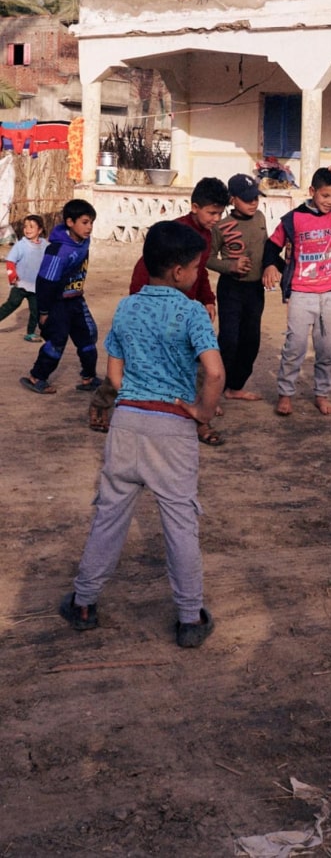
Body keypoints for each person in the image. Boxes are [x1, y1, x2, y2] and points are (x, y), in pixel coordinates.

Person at [60, 221, 225, 647]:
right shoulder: (191, 312)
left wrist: (124, 397)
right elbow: (214, 371)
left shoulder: (127, 307)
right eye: (195, 267)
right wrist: (201, 412)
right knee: (180, 524)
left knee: (109, 516)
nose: (196, 274)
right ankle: (190, 618)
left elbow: (113, 376)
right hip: (172, 428)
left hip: (128, 422)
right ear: (177, 272)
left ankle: (83, 601)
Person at [89, 176, 228, 445]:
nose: (215, 218)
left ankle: (200, 419)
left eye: (220, 213)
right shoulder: (169, 235)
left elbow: (199, 273)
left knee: (193, 362)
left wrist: (207, 298)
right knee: (134, 358)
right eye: (212, 213)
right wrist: (140, 307)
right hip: (150, 306)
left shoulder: (206, 237)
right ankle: (102, 401)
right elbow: (146, 271)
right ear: (195, 206)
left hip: (181, 311)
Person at [262, 165, 331, 416]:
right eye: (325, 196)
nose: (329, 201)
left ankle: (321, 394)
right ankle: (285, 394)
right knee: (295, 347)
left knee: (327, 348)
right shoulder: (293, 219)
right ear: (312, 192)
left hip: (330, 294)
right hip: (301, 294)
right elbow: (272, 245)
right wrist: (271, 265)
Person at [19, 199, 100, 396]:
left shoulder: (83, 242)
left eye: (91, 223)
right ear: (70, 222)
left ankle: (89, 377)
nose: (89, 228)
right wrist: (44, 311)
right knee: (57, 340)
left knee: (88, 337)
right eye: (85, 222)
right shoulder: (59, 251)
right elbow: (46, 282)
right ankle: (37, 377)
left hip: (76, 300)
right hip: (58, 303)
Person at [206, 173, 267, 401]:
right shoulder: (220, 226)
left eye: (256, 198)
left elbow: (266, 248)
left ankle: (235, 386)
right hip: (231, 288)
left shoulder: (260, 218)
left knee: (251, 341)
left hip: (255, 290)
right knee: (229, 340)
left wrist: (275, 265)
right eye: (247, 199)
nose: (253, 203)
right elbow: (209, 258)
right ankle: (215, 391)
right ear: (233, 199)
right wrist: (230, 265)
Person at [0, 214, 48, 341]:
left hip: (36, 286)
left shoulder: (45, 245)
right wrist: (12, 277)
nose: (27, 229)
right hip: (20, 284)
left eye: (31, 226)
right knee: (11, 305)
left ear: (40, 230)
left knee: (36, 310)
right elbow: (10, 262)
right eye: (25, 226)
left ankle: (31, 333)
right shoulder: (20, 245)